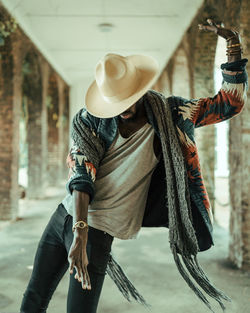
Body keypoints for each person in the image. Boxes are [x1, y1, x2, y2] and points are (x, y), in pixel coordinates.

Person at [20, 19, 248, 313]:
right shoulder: (91, 120)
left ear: (141, 89)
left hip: (98, 232)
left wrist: (233, 46)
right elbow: (81, 172)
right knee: (33, 299)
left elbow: (229, 103)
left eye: (127, 99)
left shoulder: (174, 115)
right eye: (114, 102)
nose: (122, 109)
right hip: (67, 217)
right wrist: (78, 229)